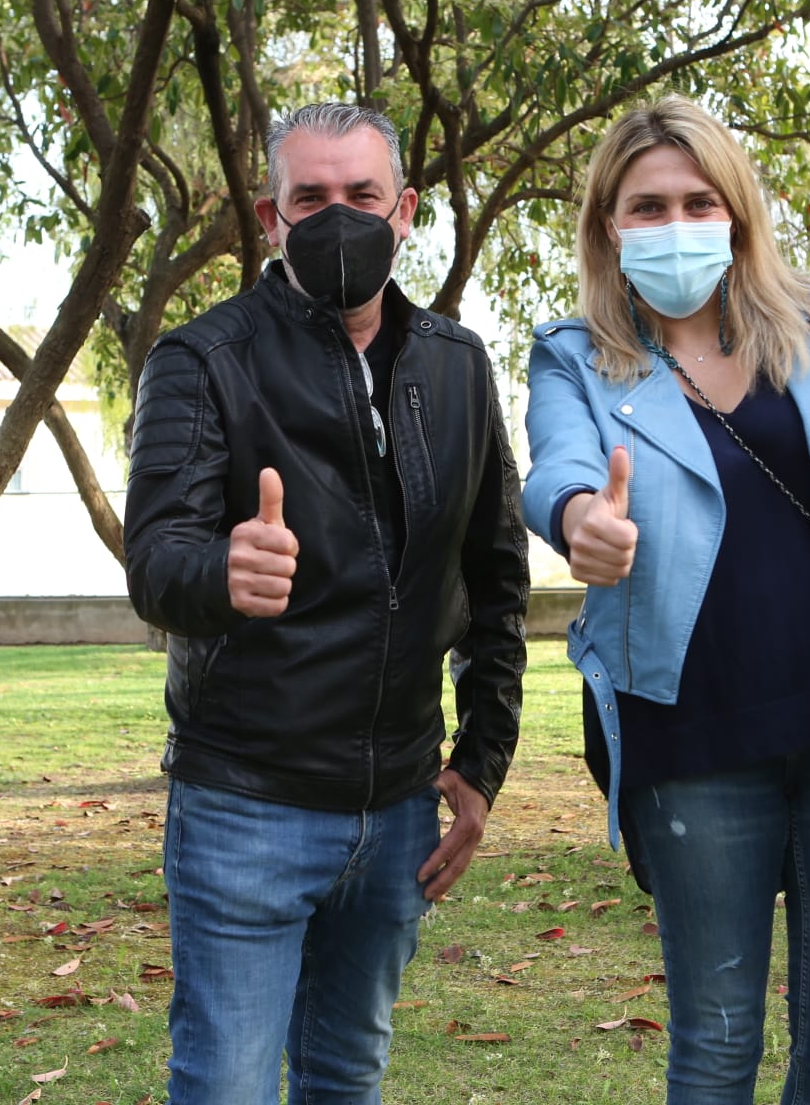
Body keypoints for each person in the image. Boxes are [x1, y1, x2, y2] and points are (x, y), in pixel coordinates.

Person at [522, 95, 810, 1105]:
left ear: (738, 211)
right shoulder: (573, 354)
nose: (674, 224)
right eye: (646, 207)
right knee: (717, 1046)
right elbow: (557, 470)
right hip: (696, 730)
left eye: (696, 200)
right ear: (606, 226)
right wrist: (583, 518)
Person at [123, 102, 529, 1103]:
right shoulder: (203, 359)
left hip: (398, 809)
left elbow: (495, 578)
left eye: (362, 195)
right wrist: (225, 569)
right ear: (270, 215)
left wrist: (481, 762)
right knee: (225, 1084)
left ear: (406, 211)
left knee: (348, 1077)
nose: (336, 217)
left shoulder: (457, 362)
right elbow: (157, 557)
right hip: (245, 802)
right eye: (311, 198)